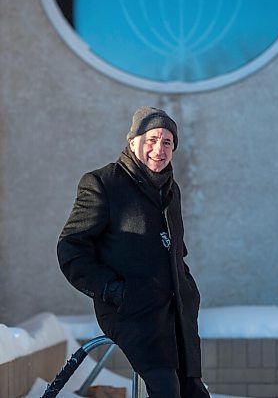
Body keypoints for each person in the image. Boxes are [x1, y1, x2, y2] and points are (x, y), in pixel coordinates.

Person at [57, 106, 210, 398]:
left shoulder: (170, 190)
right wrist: (113, 290)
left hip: (175, 316)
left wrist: (189, 291)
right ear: (132, 142)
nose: (159, 149)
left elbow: (176, 251)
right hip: (132, 313)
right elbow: (71, 247)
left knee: (194, 392)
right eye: (151, 139)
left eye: (167, 142)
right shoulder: (103, 183)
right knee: (167, 390)